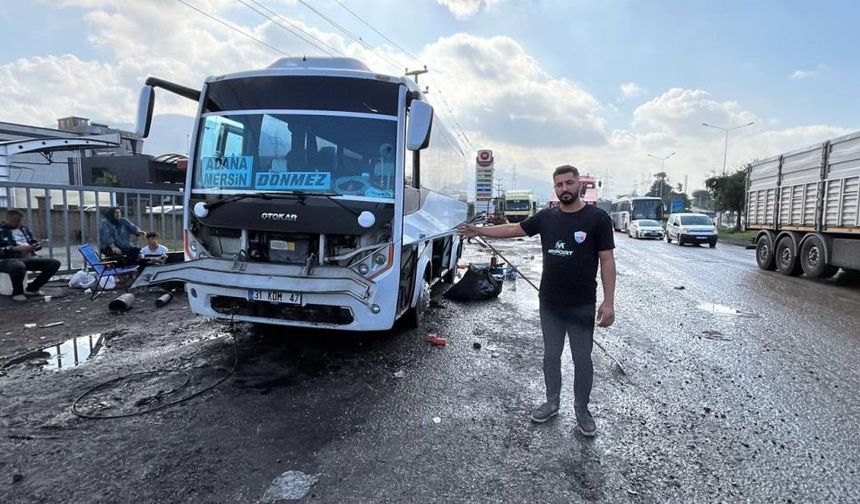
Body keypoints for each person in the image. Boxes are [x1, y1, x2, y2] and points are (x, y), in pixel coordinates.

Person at [458, 165, 616, 437]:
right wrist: (480, 231)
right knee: (551, 355)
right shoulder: (546, 217)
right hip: (550, 302)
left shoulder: (598, 219)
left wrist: (608, 301)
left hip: (582, 303)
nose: (564, 188)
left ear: (579, 185)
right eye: (559, 184)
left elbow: (607, 260)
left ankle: (582, 410)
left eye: (569, 183)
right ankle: (552, 402)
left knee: (582, 359)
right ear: (555, 188)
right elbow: (513, 229)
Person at [0, 209, 62, 302]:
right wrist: (15, 249)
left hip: (27, 257)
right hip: (6, 260)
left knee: (54, 263)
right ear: (7, 219)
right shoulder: (1, 231)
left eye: (20, 221)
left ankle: (32, 289)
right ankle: (18, 293)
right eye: (14, 221)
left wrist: (36, 246)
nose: (18, 223)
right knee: (17, 265)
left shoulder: (24, 229)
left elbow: (34, 242)